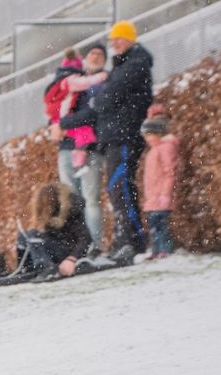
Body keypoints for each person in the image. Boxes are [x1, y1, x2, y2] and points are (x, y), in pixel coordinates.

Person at [98, 21, 154, 264]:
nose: (115, 44)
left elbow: (107, 96)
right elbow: (105, 97)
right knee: (116, 189)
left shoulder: (136, 62)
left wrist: (101, 97)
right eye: (113, 40)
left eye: (120, 39)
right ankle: (124, 239)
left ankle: (133, 240)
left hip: (125, 135)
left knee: (121, 187)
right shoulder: (121, 65)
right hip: (115, 136)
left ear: (131, 39)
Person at [56, 43, 109, 251]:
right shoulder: (73, 82)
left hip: (90, 147)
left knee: (90, 198)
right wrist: (56, 124)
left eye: (100, 54)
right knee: (70, 202)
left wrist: (64, 124)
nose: (95, 57)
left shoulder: (103, 82)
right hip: (66, 148)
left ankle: (95, 245)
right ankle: (76, 246)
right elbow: (55, 109)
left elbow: (93, 113)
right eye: (92, 53)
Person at [0, 183, 92, 286]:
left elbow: (85, 238)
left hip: (69, 252)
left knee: (33, 235)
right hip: (60, 249)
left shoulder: (71, 213)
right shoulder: (54, 213)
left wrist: (71, 259)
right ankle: (26, 267)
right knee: (24, 236)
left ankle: (47, 267)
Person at [140, 107, 179, 260]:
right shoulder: (153, 150)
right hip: (152, 198)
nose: (147, 139)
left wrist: (165, 193)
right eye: (146, 136)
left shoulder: (166, 148)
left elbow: (170, 172)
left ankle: (166, 249)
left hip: (161, 197)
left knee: (162, 226)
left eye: (150, 135)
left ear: (159, 133)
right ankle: (156, 250)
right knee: (153, 226)